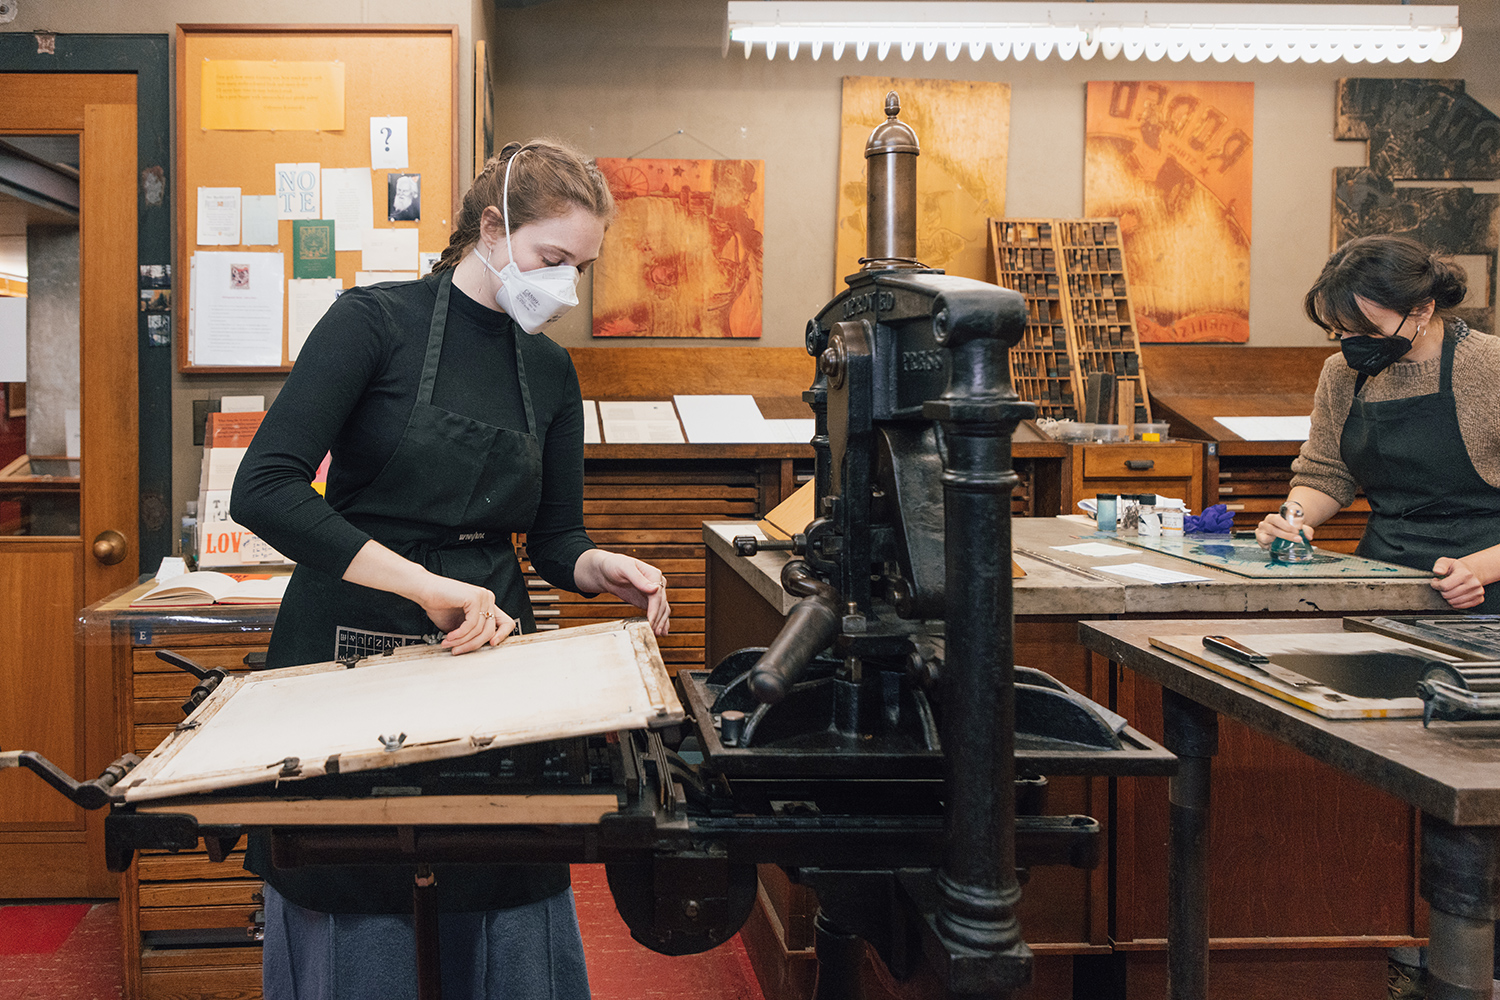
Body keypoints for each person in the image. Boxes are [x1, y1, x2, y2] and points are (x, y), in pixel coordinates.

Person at [231, 138, 671, 1000]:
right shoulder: (373, 324)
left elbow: (553, 537)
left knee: (503, 876)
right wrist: (425, 587)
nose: (565, 288)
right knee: (354, 885)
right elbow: (265, 488)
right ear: (492, 226)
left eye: (580, 267)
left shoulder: (548, 369)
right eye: (552, 258)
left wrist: (598, 566)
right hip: (346, 650)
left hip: (489, 660)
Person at [1256, 234, 1500, 615]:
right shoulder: (1341, 374)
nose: (1352, 344)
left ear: (1421, 309)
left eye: (1366, 331)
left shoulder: (1491, 367)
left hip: (1485, 586)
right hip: (1383, 577)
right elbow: (1325, 473)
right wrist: (1294, 520)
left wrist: (1479, 569)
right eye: (1341, 332)